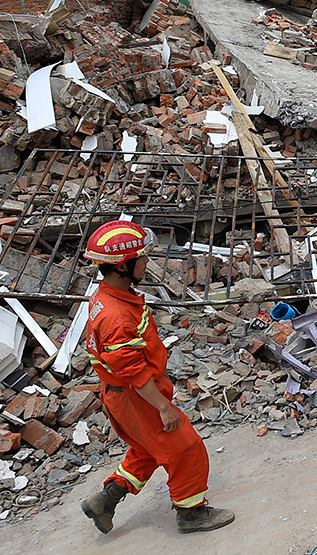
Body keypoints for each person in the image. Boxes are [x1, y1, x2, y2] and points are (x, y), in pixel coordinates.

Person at [78, 220, 235, 535]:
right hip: (136, 397)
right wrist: (163, 406)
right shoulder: (116, 315)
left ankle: (105, 501)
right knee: (187, 449)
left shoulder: (108, 297)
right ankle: (191, 514)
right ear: (123, 265)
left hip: (123, 395)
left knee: (148, 450)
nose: (147, 262)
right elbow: (131, 368)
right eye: (142, 257)